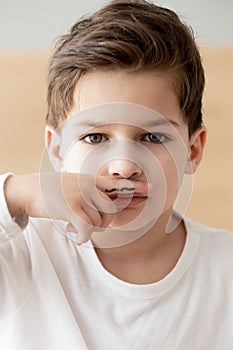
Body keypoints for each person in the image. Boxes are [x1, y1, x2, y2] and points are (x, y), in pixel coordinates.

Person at [0, 0, 232, 349]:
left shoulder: (225, 268)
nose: (124, 166)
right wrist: (13, 193)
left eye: (152, 137)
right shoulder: (21, 254)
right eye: (95, 137)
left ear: (192, 151)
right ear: (58, 150)